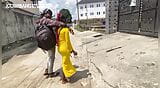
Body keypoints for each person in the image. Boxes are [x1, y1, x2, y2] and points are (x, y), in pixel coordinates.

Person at [36, 9, 65, 78]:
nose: (50, 15)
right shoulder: (46, 20)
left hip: (42, 42)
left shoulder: (39, 21)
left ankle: (47, 70)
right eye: (49, 13)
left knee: (49, 56)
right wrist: (63, 24)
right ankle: (50, 73)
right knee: (51, 57)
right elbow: (56, 23)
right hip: (49, 41)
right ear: (46, 13)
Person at [56, 9, 78, 84]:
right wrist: (72, 50)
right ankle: (63, 79)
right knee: (65, 63)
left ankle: (66, 76)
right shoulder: (65, 30)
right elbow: (68, 42)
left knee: (66, 62)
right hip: (65, 48)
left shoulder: (59, 29)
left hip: (60, 48)